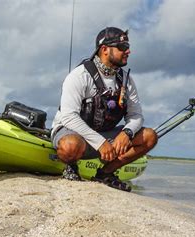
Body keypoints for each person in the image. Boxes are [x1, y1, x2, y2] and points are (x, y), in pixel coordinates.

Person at [51, 27, 158, 192]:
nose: (128, 51)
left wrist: (127, 133)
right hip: (72, 133)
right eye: (122, 47)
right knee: (70, 145)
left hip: (104, 136)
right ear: (104, 49)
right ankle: (71, 167)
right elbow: (69, 117)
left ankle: (105, 173)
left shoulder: (126, 81)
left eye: (128, 46)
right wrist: (100, 143)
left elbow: (136, 115)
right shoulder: (79, 76)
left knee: (149, 137)